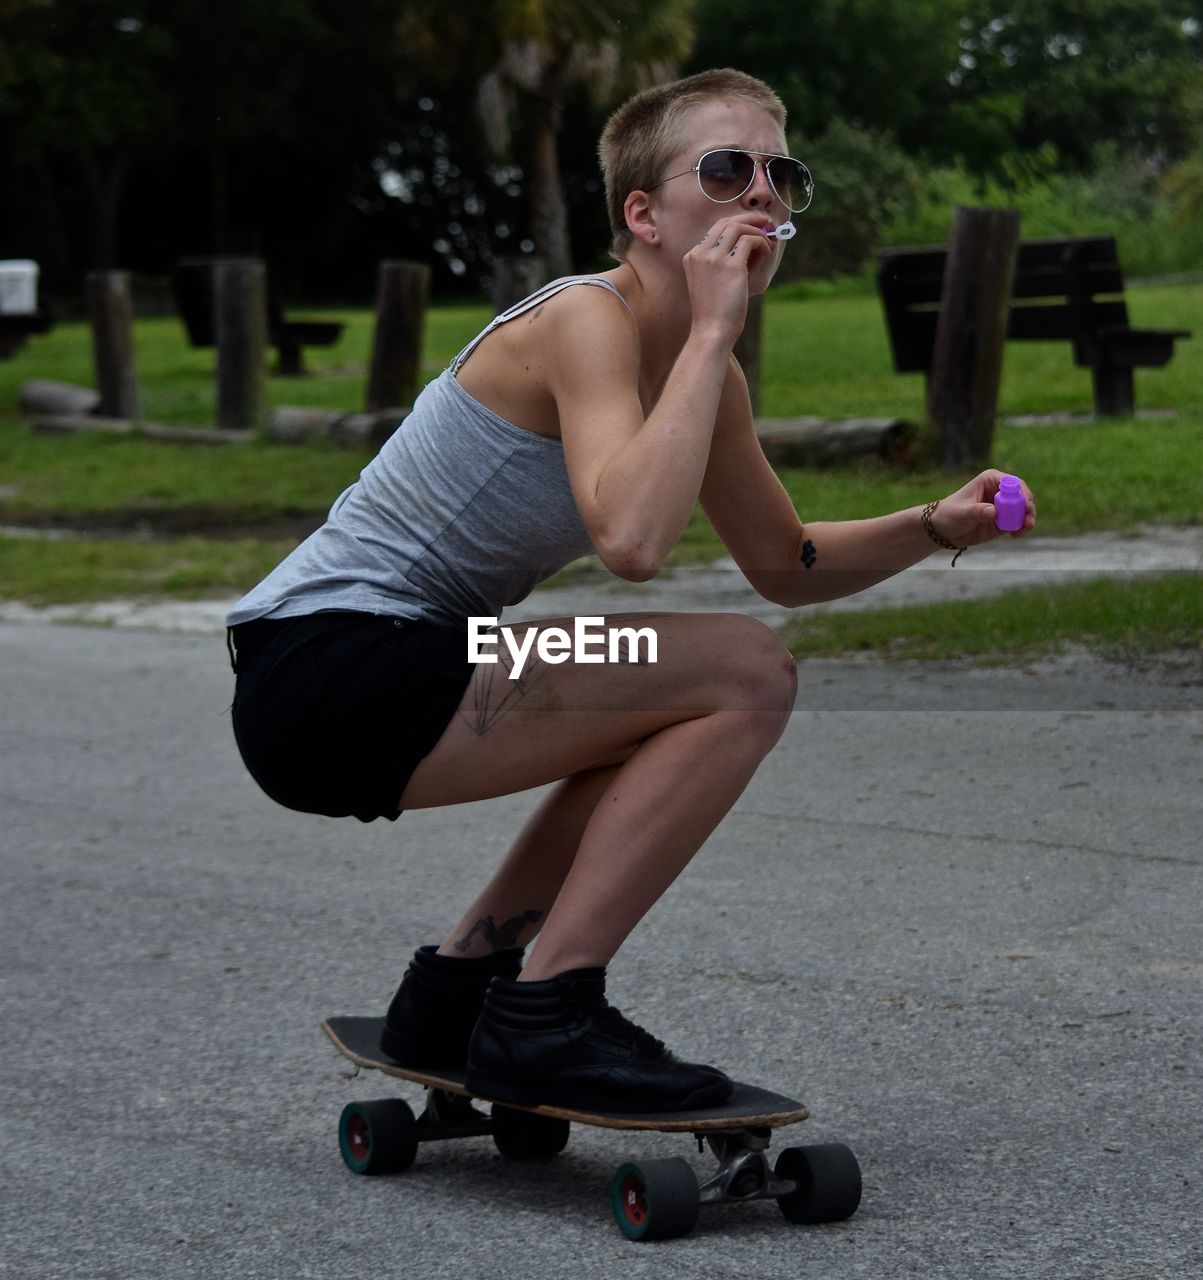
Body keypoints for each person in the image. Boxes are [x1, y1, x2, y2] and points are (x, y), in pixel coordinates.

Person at [226, 68, 1035, 1114]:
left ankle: (460, 988)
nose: (765, 195)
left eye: (781, 174)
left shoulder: (710, 376)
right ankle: (547, 1013)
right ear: (642, 215)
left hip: (403, 666)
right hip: (327, 666)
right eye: (727, 168)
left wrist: (930, 525)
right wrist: (709, 333)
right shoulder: (585, 320)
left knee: (685, 696)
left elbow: (786, 561)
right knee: (740, 672)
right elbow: (633, 540)